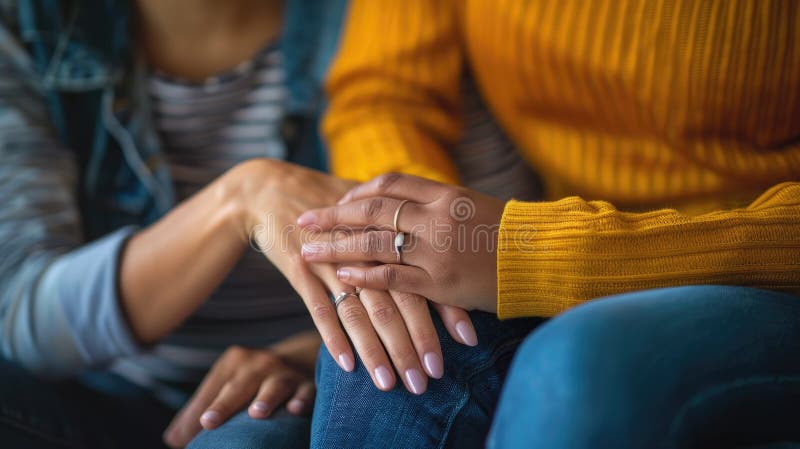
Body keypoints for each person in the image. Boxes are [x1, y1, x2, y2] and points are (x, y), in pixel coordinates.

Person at [0, 0, 542, 447]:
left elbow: (477, 259)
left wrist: (306, 354)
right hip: (100, 393)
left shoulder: (384, 19)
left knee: (244, 440)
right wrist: (241, 197)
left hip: (304, 382)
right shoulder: (28, 24)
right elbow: (23, 318)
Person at [298, 0, 800, 448]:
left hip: (761, 270)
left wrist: (541, 252)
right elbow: (384, 96)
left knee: (579, 361)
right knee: (394, 345)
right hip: (545, 234)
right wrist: (418, 225)